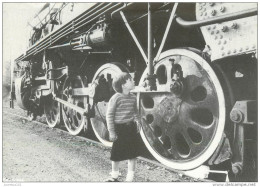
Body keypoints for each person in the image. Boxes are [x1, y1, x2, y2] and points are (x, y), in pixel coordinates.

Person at [105, 72, 141, 182]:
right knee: (116, 154)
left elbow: (135, 111)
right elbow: (109, 115)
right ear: (123, 85)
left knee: (132, 154)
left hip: (130, 129)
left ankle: (129, 179)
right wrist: (111, 131)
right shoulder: (115, 98)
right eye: (130, 80)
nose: (134, 81)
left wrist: (138, 121)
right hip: (119, 129)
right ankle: (114, 176)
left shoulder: (133, 97)